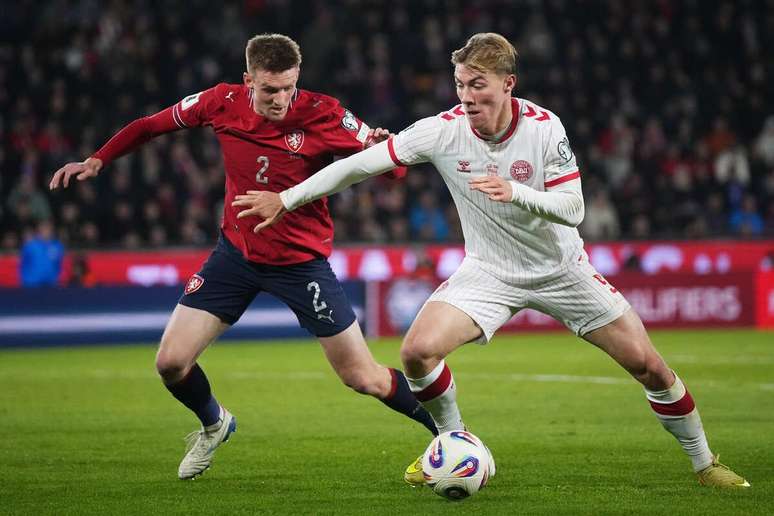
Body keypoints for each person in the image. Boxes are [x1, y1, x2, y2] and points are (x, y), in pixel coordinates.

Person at [234, 33, 749, 488]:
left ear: (508, 84)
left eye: (477, 84)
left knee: (650, 367)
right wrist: (288, 198)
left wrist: (515, 191)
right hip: (488, 271)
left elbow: (574, 208)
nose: (466, 95)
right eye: (460, 84)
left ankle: (705, 464)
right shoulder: (442, 130)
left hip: (562, 270)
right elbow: (357, 166)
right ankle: (454, 441)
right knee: (417, 352)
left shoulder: (545, 128)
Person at [50, 33, 437, 480]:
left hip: (300, 263)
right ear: (247, 80)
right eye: (269, 89)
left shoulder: (325, 113)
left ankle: (448, 432)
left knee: (362, 377)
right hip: (236, 255)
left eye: (288, 88)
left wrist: (384, 154)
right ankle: (215, 423)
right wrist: (99, 159)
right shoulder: (220, 102)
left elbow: (395, 169)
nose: (280, 99)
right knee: (171, 363)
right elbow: (151, 125)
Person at [19, 219, 64, 287]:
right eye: (43, 227)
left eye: (48, 227)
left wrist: (56, 278)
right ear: (39, 229)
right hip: (32, 284)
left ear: (52, 229)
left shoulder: (58, 246)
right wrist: (25, 280)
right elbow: (23, 264)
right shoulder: (30, 245)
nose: (46, 230)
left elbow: (59, 264)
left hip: (51, 284)